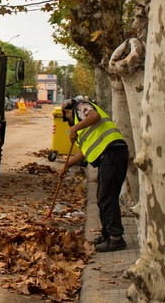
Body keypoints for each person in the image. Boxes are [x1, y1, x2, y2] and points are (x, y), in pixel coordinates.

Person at [60, 98, 129, 252]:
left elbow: (94, 116)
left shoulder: (81, 107)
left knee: (107, 197)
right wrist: (67, 165)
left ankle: (116, 238)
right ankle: (107, 236)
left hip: (112, 152)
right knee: (102, 197)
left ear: (68, 110)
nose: (69, 121)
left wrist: (74, 128)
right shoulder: (82, 126)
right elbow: (83, 153)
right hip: (110, 156)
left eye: (67, 117)